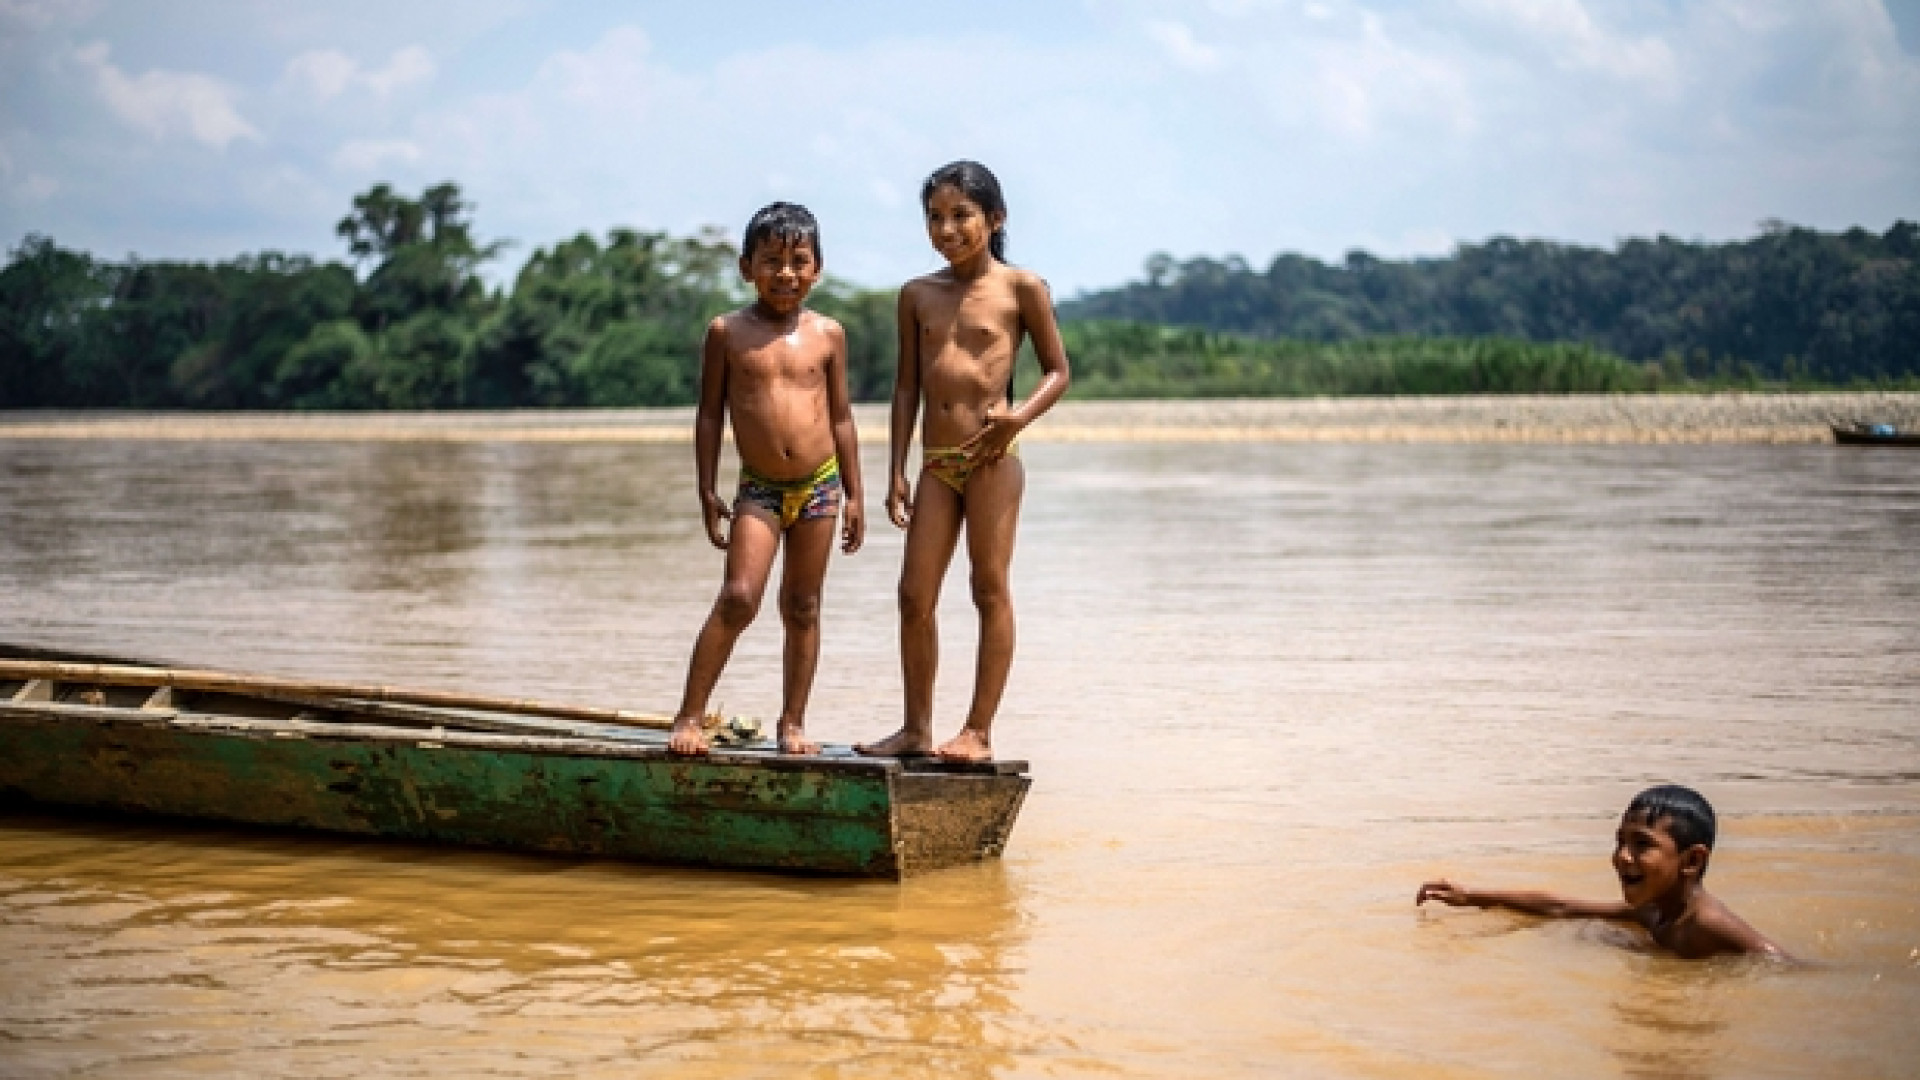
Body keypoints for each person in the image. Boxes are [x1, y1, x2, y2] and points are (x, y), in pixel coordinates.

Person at [857, 160, 1070, 763]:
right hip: (935, 463)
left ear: (994, 218)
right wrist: (896, 468)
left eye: (961, 216)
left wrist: (1018, 418)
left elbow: (1059, 371)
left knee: (988, 587)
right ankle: (916, 729)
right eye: (935, 217)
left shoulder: (1021, 288)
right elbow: (905, 388)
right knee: (912, 594)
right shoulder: (917, 295)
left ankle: (978, 730)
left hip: (991, 458)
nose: (946, 229)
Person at [669, 202, 864, 757]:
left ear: (818, 269)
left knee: (803, 605)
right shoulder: (727, 333)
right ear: (746, 266)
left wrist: (855, 494)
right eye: (771, 260)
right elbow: (709, 414)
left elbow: (842, 417)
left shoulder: (828, 334)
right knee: (738, 597)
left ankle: (793, 723)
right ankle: (689, 715)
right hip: (759, 489)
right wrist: (706, 490)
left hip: (822, 486)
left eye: (799, 261)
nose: (785, 273)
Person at [1416, 785, 1788, 960]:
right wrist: (1472, 896)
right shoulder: (1656, 911)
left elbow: (1782, 967)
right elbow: (1562, 906)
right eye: (1619, 842)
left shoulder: (1707, 924)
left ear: (1691, 861)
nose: (1622, 858)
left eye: (1642, 845)